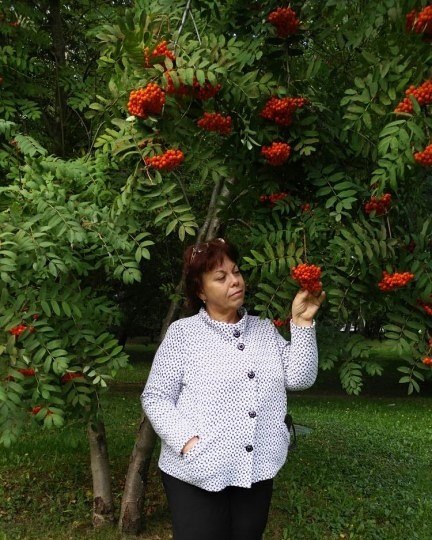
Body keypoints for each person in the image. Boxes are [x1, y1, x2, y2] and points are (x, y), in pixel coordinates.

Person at [141, 237, 325, 540]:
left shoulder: (264, 328)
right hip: (195, 471)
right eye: (221, 277)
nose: (235, 281)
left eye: (236, 272)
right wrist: (188, 443)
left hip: (257, 467)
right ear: (201, 291)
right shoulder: (183, 334)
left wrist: (302, 323)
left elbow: (299, 378)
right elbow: (156, 397)